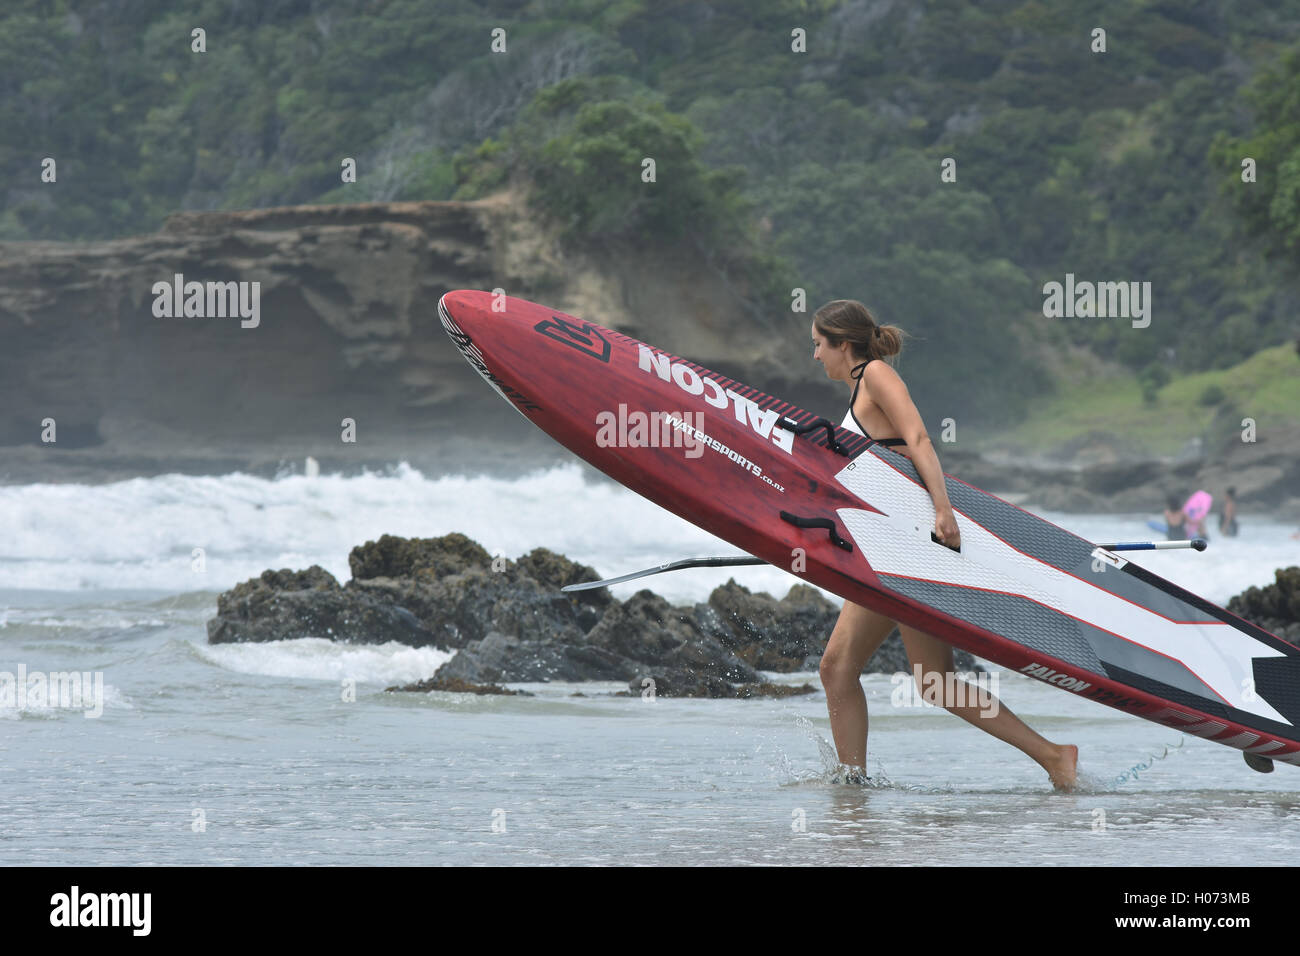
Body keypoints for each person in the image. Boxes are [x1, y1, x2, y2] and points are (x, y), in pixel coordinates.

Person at [810, 299, 1078, 790]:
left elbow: (918, 438)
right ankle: (1055, 758)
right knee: (932, 681)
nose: (815, 355)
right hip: (894, 544)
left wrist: (944, 510)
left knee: (839, 668)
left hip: (909, 545)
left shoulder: (875, 376)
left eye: (818, 344)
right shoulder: (859, 389)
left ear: (842, 344)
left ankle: (851, 784)